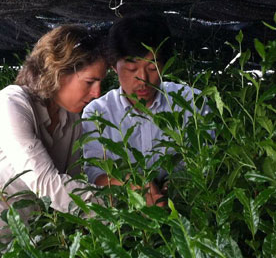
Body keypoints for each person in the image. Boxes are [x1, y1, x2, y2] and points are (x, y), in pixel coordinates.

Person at [0, 25, 107, 253]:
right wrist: (119, 206)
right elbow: (46, 184)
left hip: (20, 248)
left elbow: (72, 185)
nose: (98, 93)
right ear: (58, 72)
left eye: (101, 83)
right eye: (90, 82)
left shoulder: (71, 119)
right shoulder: (11, 104)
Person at [82, 13, 211, 206]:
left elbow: (207, 160)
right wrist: (131, 186)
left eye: (152, 68)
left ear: (165, 65)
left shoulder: (191, 102)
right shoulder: (98, 113)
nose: (143, 79)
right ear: (114, 67)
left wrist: (176, 186)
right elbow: (94, 173)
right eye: (132, 70)